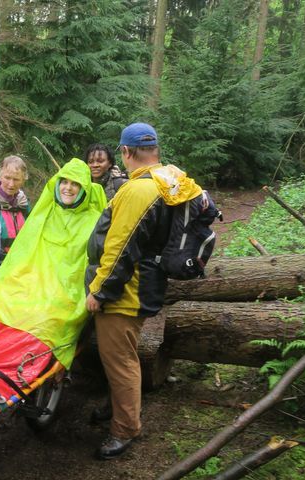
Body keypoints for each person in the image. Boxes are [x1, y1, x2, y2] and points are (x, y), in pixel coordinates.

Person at [85, 123, 203, 459]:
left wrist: (100, 291)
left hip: (126, 291)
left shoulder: (137, 191)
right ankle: (118, 405)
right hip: (145, 284)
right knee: (120, 355)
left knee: (120, 360)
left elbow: (120, 249)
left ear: (124, 151)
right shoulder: (168, 180)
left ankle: (125, 428)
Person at [0, 158, 106, 404]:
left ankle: (8, 376)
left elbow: (88, 265)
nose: (68, 187)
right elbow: (24, 254)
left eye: (75, 184)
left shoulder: (95, 220)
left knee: (45, 317)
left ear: (85, 188)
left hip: (65, 292)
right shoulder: (44, 213)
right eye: (64, 182)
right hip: (30, 283)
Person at [0, 155, 30, 261]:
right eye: (7, 178)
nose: (11, 184)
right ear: (0, 175)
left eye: (16, 179)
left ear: (23, 180)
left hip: (19, 262)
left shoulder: (24, 204)